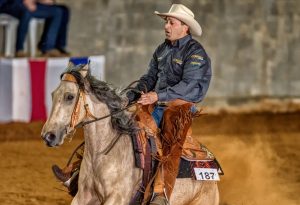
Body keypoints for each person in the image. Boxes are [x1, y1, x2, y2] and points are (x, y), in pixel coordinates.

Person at [52, 4, 211, 205]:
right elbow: (149, 77)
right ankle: (79, 171)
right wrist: (130, 95)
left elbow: (190, 86)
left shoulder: (195, 53)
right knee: (113, 124)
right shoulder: (162, 50)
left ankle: (161, 192)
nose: (166, 26)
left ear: (185, 27)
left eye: (171, 22)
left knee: (172, 142)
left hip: (179, 107)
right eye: (166, 22)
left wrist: (157, 95)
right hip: (153, 103)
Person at [0, 0, 70, 57]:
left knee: (59, 11)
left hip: (28, 3)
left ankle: (48, 47)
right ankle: (19, 49)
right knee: (27, 12)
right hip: (9, 3)